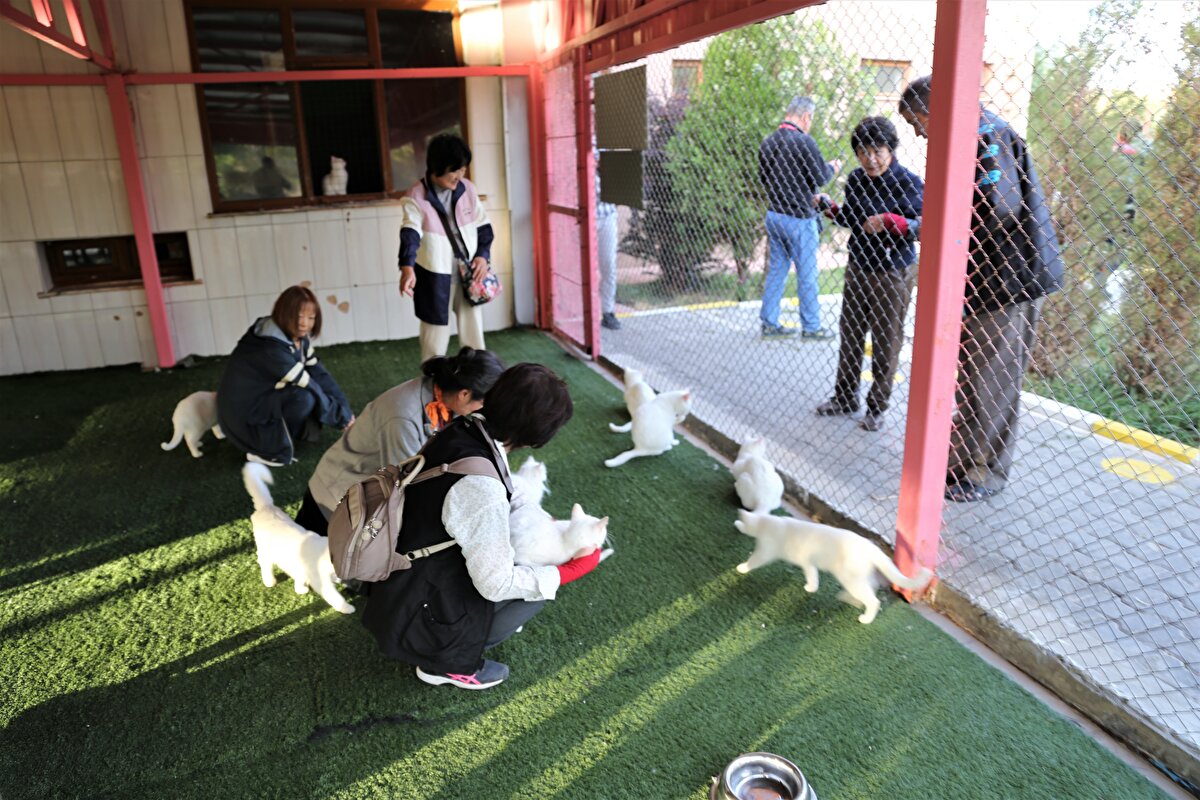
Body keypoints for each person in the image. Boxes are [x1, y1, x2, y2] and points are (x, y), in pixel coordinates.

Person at [361, 363, 599, 690]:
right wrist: (570, 570)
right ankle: (443, 662)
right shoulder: (480, 488)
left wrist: (540, 519)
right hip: (417, 606)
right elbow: (495, 584)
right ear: (538, 435)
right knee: (539, 582)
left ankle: (438, 641)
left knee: (525, 565)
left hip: (398, 574)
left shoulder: (466, 428)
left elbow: (505, 491)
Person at [898, 75, 1063, 502]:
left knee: (992, 379)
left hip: (1007, 279)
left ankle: (984, 472)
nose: (918, 133)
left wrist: (943, 232)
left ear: (933, 109)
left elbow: (998, 207)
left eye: (917, 122)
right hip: (988, 279)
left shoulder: (987, 134)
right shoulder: (972, 135)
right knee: (976, 377)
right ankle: (964, 462)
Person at [294, 346, 506, 535]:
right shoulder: (403, 417)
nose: (485, 410)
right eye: (484, 403)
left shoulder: (444, 397)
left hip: (367, 491)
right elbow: (405, 485)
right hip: (334, 500)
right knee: (320, 568)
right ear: (464, 394)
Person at [813, 116, 924, 432]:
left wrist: (893, 222)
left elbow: (923, 226)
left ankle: (877, 407)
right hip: (858, 268)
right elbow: (852, 217)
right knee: (850, 336)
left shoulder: (910, 183)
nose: (871, 159)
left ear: (891, 150)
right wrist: (829, 208)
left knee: (886, 343)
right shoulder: (857, 179)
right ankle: (845, 397)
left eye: (878, 151)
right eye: (863, 152)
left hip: (892, 273)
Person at [218, 286, 354, 467]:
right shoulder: (270, 347)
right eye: (298, 316)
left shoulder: (297, 337)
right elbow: (310, 385)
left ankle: (284, 435)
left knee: (308, 392)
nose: (305, 323)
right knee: (304, 397)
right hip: (242, 414)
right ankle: (265, 450)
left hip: (263, 398)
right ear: (283, 314)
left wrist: (347, 413)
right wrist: (342, 419)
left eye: (311, 317)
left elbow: (320, 375)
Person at [398, 134, 494, 363]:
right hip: (433, 277)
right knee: (434, 341)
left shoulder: (467, 189)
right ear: (437, 166)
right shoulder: (415, 196)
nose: (460, 175)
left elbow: (484, 228)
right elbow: (410, 232)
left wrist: (482, 257)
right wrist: (407, 267)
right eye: (455, 170)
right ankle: (432, 388)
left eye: (463, 169)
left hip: (468, 273)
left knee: (474, 339)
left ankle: (477, 386)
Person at [758, 95, 843, 339]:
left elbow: (766, 179)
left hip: (775, 215)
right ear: (806, 117)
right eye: (811, 119)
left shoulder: (768, 143)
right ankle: (812, 327)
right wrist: (833, 167)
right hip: (799, 219)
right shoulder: (804, 143)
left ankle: (769, 323)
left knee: (777, 270)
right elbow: (820, 178)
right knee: (807, 274)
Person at [597, 197, 621, 330]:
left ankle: (608, 312)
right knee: (576, 268)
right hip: (582, 216)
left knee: (608, 265)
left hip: (606, 215)